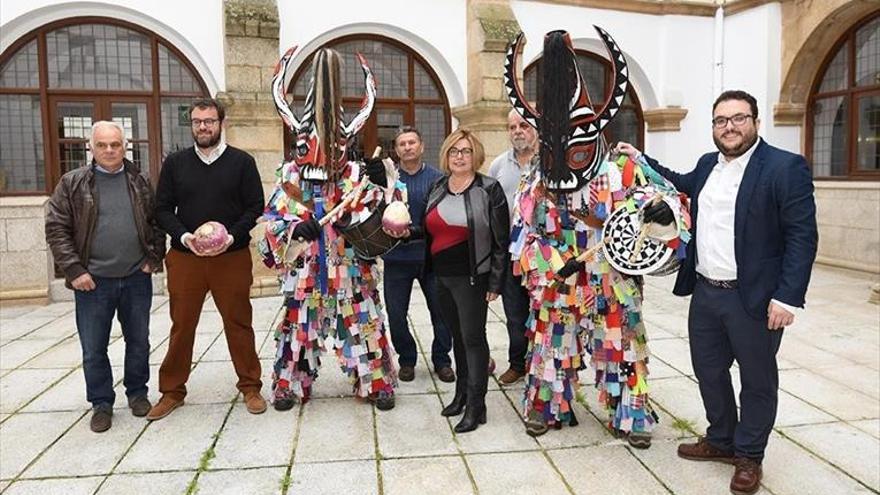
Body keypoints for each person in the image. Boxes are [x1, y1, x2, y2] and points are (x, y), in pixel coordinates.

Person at [616, 89, 818, 495]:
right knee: (708, 370)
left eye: (738, 118)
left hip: (755, 299)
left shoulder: (784, 167)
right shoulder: (708, 165)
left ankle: (748, 455)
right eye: (721, 120)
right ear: (713, 127)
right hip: (707, 293)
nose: (729, 127)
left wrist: (787, 296)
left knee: (757, 380)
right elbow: (678, 183)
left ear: (756, 123)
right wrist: (639, 158)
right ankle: (721, 438)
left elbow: (802, 236)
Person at [503, 29, 689, 441]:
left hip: (612, 277)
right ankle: (546, 406)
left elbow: (668, 208)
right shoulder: (535, 179)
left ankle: (631, 414)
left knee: (620, 344)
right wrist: (550, 267)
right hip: (559, 279)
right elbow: (524, 232)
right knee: (551, 344)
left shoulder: (622, 170)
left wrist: (661, 215)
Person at [260, 47, 401, 412]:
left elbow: (383, 215)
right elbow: (273, 224)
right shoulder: (291, 176)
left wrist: (361, 211)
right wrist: (295, 230)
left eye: (335, 146)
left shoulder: (355, 175)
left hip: (352, 270)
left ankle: (376, 381)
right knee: (298, 328)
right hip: (306, 273)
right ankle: (289, 384)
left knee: (364, 322)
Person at [149, 98, 267, 420]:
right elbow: (161, 209)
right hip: (187, 259)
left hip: (231, 257)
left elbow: (255, 206)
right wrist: (185, 236)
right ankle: (172, 391)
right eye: (198, 122)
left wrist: (230, 235)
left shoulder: (242, 162)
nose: (203, 127)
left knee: (239, 323)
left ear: (221, 123)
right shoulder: (175, 163)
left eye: (210, 121)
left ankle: (250, 386)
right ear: (192, 125)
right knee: (182, 326)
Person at [45, 121, 165, 432]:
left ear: (125, 146)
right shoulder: (72, 183)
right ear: (91, 148)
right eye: (102, 145)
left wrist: (152, 259)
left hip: (135, 278)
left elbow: (156, 223)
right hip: (92, 283)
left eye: (115, 144)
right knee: (93, 347)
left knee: (138, 341)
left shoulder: (140, 181)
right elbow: (57, 229)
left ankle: (138, 394)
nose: (109, 150)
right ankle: (101, 403)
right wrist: (74, 270)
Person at [392, 128, 509, 433]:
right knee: (457, 338)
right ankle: (461, 395)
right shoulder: (438, 186)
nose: (460, 156)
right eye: (455, 151)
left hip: (473, 277)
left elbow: (501, 241)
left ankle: (476, 404)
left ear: (475, 155)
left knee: (473, 339)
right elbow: (431, 230)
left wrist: (496, 283)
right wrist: (409, 233)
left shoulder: (489, 189)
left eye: (466, 151)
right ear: (446, 154)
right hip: (440, 276)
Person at [379, 126, 453, 383]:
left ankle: (442, 360)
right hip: (396, 259)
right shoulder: (387, 179)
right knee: (396, 315)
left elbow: (441, 219)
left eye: (412, 142)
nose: (408, 147)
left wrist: (413, 233)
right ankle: (407, 359)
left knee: (441, 313)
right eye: (402, 144)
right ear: (396, 150)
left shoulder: (437, 178)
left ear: (421, 146)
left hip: (430, 258)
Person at [487, 109, 538, 386]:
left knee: (544, 312)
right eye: (512, 127)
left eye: (524, 125)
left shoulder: (551, 163)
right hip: (511, 254)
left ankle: (542, 365)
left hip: (543, 255)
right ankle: (518, 364)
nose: (517, 131)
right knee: (515, 314)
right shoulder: (498, 166)